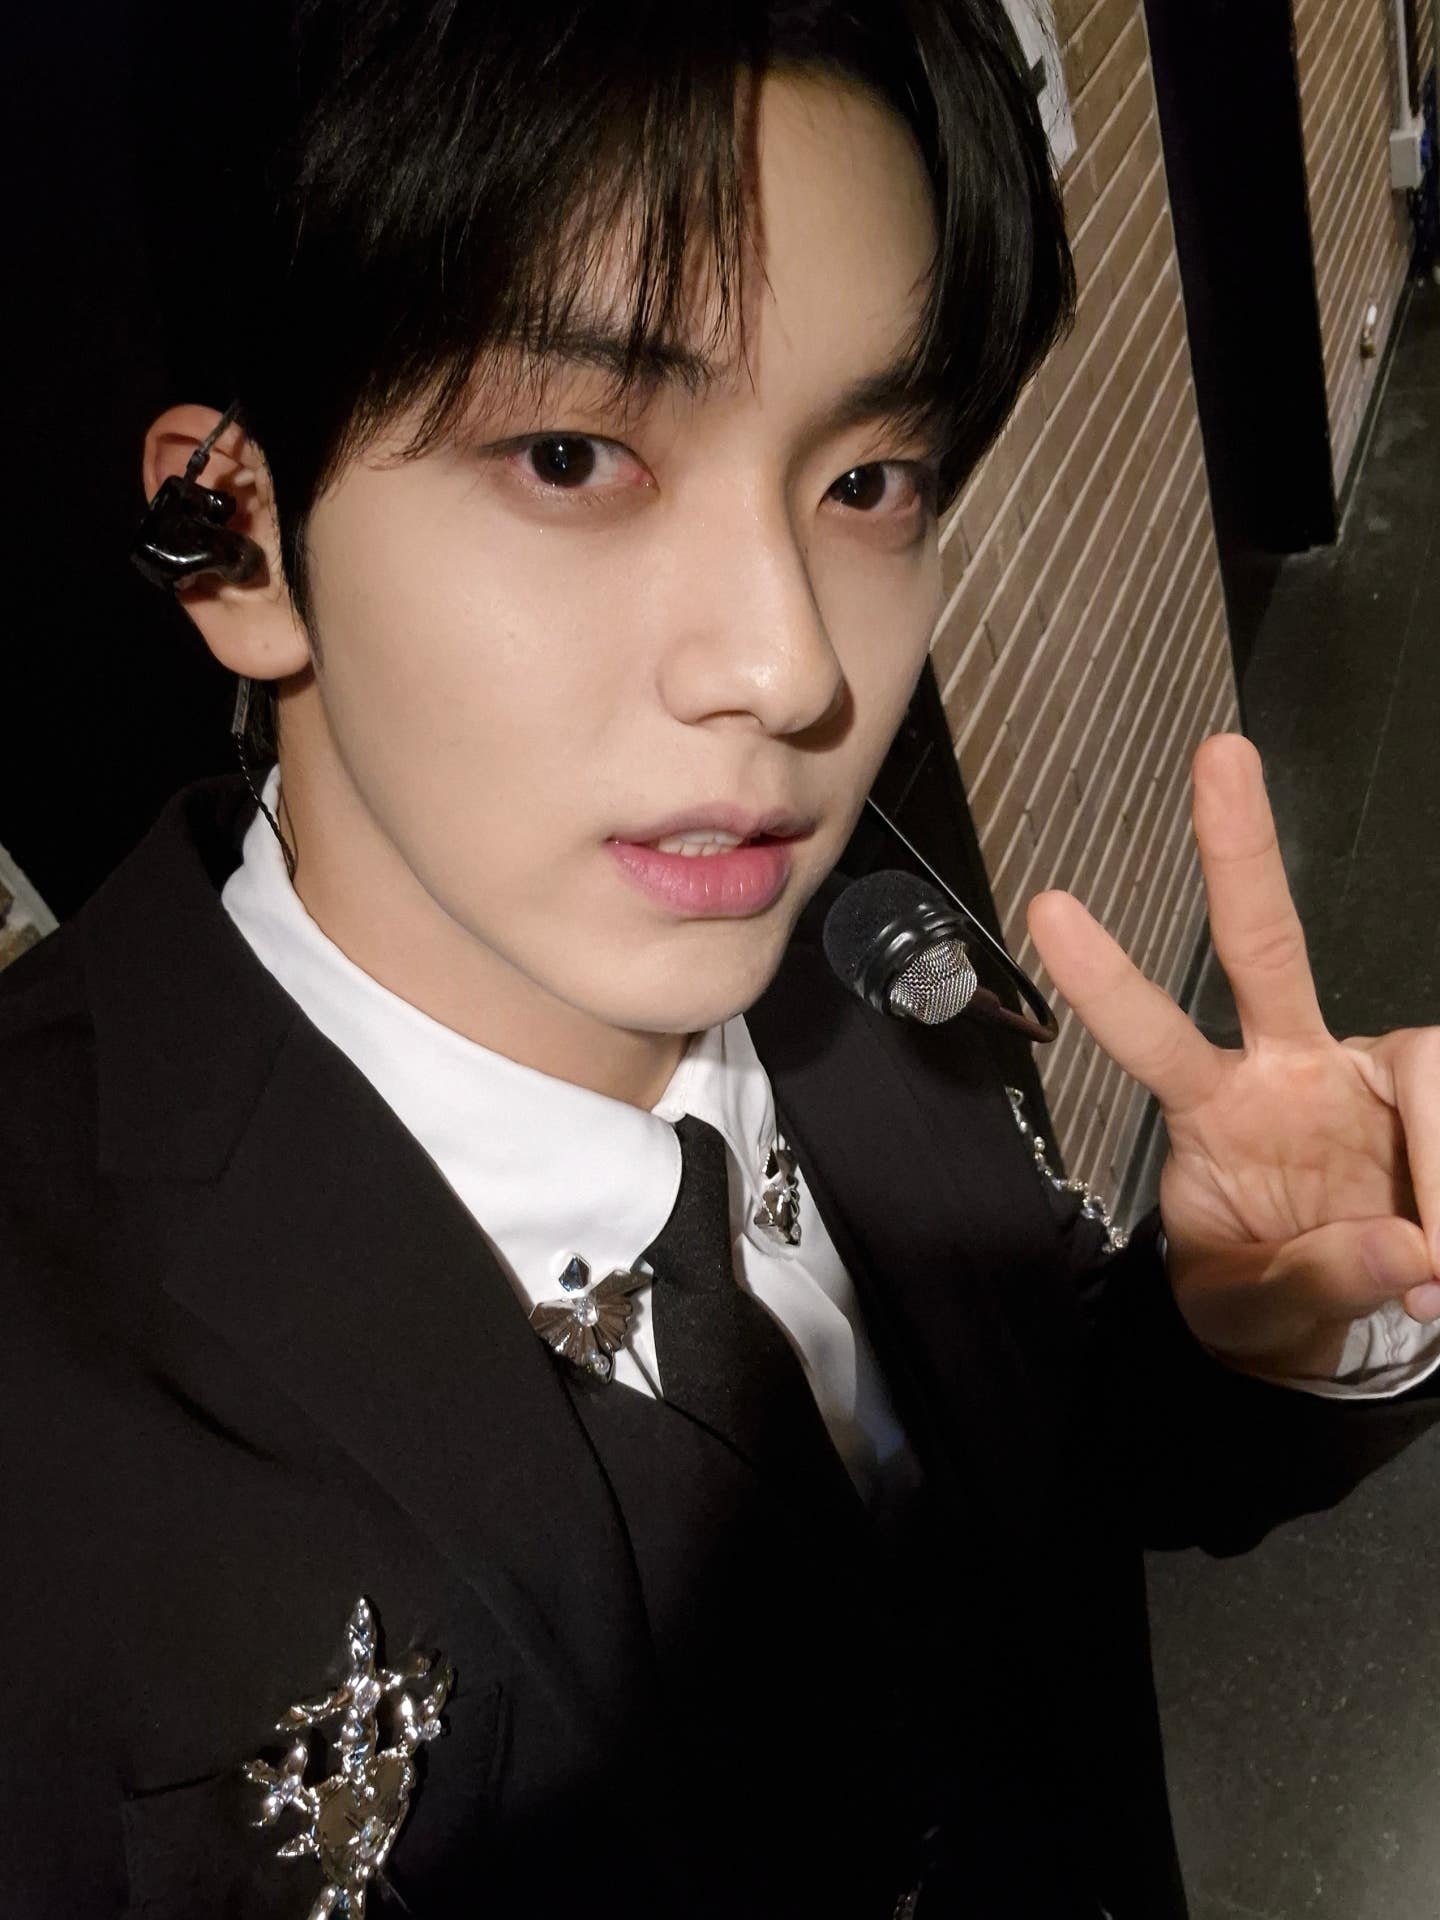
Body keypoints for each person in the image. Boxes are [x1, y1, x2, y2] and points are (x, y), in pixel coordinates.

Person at [3, 3, 1439, 1914]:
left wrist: (1278, 1322)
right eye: (574, 455)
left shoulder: (864, 955)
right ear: (238, 541)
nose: (791, 668)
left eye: (869, 481)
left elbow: (1030, 1494)